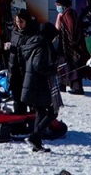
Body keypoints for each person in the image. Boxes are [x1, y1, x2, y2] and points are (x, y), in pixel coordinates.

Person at [15, 11, 59, 153]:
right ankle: (34, 136)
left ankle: (37, 143)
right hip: (38, 85)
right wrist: (52, 70)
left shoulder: (34, 42)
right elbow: (39, 66)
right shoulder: (42, 46)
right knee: (52, 112)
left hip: (32, 84)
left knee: (40, 112)